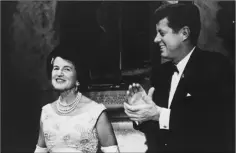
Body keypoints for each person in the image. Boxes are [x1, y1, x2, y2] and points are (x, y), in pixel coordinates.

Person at [124, 3, 234, 153]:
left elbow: (213, 123)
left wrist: (159, 114)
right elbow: (157, 130)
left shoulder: (215, 67)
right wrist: (140, 114)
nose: (156, 39)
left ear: (184, 33)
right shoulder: (160, 73)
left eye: (161, 33)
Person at [34, 44, 120, 153]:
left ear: (78, 78)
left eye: (67, 69)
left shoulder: (96, 112)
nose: (59, 73)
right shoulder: (46, 112)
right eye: (56, 68)